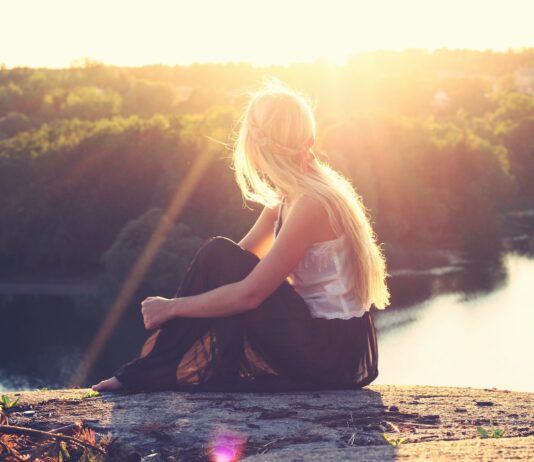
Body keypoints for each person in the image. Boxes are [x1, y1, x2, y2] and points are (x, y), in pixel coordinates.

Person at [91, 79, 391, 393]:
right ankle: (153, 370)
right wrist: (181, 303)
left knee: (218, 255)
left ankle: (150, 372)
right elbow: (227, 267)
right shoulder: (289, 198)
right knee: (217, 252)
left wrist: (172, 307)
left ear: (257, 144)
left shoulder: (310, 204)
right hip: (329, 346)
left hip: (332, 355)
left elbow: (250, 294)